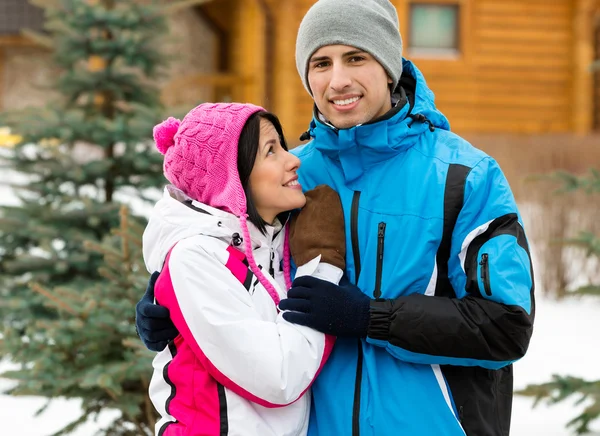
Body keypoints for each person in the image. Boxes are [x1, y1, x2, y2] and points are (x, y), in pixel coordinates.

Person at [137, 1, 535, 435]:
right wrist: (169, 303)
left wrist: (372, 318)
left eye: (356, 57)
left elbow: (506, 325)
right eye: (321, 63)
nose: (338, 80)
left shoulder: (463, 177)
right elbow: (232, 251)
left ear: (388, 65)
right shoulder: (292, 177)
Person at [142, 102, 347, 436]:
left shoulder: (272, 245)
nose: (293, 159)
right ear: (231, 177)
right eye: (271, 151)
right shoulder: (196, 258)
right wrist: (320, 269)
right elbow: (278, 378)